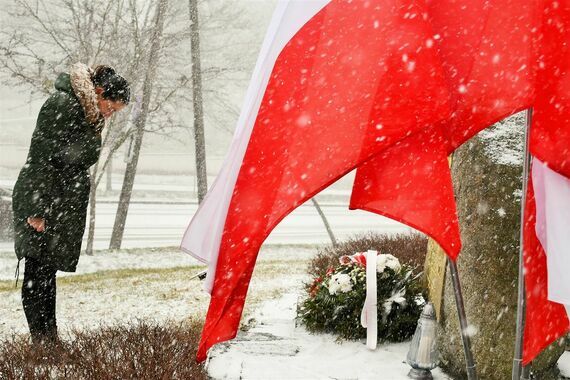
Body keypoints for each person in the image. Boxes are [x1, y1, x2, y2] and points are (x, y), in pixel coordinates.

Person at [11, 63, 130, 344]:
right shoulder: (63, 104)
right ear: (99, 91)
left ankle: (49, 341)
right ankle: (43, 343)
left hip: (58, 202)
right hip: (43, 201)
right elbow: (41, 156)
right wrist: (37, 211)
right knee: (36, 276)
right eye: (111, 107)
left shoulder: (87, 112)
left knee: (45, 275)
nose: (110, 114)